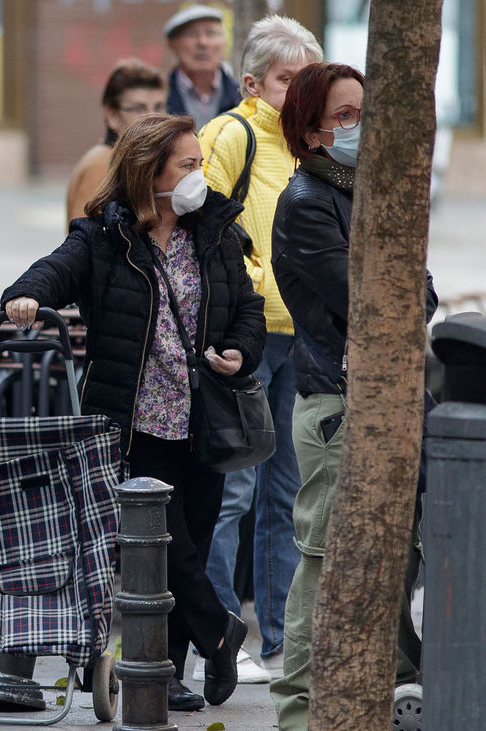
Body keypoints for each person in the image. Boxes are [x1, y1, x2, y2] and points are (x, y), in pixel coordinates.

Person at [3, 113, 266, 713]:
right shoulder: (103, 235)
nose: (199, 174)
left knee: (189, 545)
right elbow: (53, 270)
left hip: (203, 416)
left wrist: (239, 352)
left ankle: (167, 671)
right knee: (157, 543)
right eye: (188, 165)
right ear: (150, 171)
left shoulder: (216, 231)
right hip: (133, 419)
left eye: (200, 163)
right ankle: (220, 633)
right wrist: (26, 296)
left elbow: (246, 310)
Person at [268, 62, 437, 731]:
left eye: (365, 111)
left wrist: (403, 289)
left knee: (397, 550)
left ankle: (394, 686)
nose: (359, 127)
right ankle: (300, 705)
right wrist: (401, 290)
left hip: (384, 401)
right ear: (310, 130)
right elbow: (375, 299)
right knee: (325, 559)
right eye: (344, 116)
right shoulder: (309, 201)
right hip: (337, 405)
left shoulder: (371, 195)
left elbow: (417, 294)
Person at [193, 15, 323, 685]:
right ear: (252, 82)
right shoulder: (231, 135)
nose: (299, 91)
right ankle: (217, 632)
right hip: (242, 339)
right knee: (233, 491)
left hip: (299, 336)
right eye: (286, 79)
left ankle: (278, 640)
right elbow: (199, 228)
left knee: (286, 494)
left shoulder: (314, 148)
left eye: (308, 79)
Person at [66, 59, 166, 224]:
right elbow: (83, 241)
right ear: (112, 115)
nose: (153, 117)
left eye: (158, 107)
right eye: (139, 109)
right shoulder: (103, 163)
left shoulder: (125, 161)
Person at [163, 4, 241, 130]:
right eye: (191, 34)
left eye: (211, 33)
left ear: (225, 43)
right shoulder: (158, 100)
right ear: (172, 45)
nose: (202, 43)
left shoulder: (243, 97)